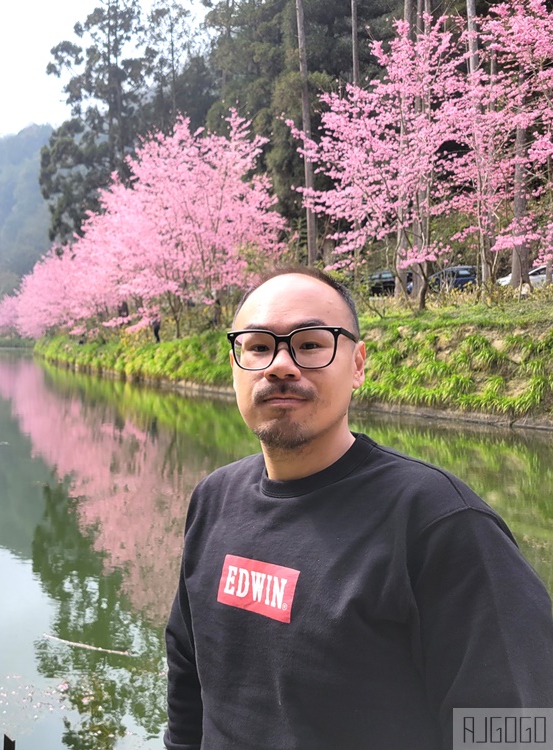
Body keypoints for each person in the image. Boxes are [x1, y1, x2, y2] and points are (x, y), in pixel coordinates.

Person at [164, 266, 553, 750]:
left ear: (358, 365)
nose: (280, 365)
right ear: (235, 364)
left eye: (310, 344)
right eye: (258, 346)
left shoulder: (440, 524)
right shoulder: (213, 499)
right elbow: (186, 676)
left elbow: (514, 729)